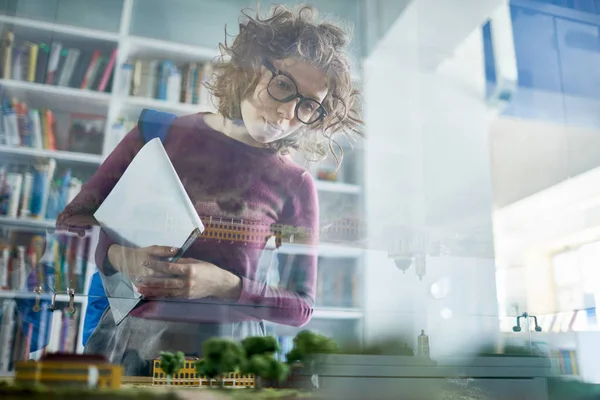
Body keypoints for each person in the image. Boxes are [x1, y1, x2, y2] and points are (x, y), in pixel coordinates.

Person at [56, 4, 362, 376]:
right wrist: (121, 257)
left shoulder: (294, 184)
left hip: (230, 357)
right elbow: (75, 222)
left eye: (309, 105)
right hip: (130, 344)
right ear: (251, 66)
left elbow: (301, 308)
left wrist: (224, 285)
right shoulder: (157, 135)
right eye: (283, 86)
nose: (288, 114)